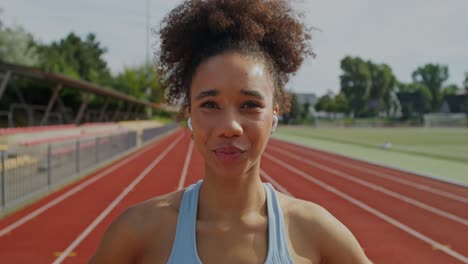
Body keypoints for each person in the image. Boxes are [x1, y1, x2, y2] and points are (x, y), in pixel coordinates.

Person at [90, 0, 372, 263]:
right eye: (210, 104)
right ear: (189, 113)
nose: (230, 127)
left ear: (274, 114)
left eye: (250, 104)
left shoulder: (315, 231)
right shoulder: (138, 231)